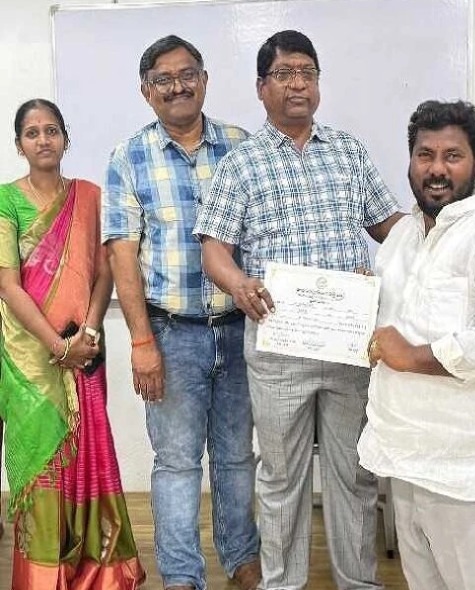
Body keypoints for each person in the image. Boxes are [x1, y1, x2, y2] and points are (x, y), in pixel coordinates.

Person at [194, 29, 402, 590]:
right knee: (281, 478)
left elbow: (390, 228)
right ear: (261, 87)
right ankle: (283, 583)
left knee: (354, 475)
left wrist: (433, 238)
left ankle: (358, 582)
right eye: (284, 74)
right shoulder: (242, 163)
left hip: (350, 347)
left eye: (307, 73)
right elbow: (214, 250)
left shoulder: (349, 151)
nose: (297, 84)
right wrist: (239, 284)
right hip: (278, 347)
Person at [356, 99, 475, 590]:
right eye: (425, 154)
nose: (436, 169)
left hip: (470, 468)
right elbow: (388, 327)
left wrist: (411, 357)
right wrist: (357, 305)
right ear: (410, 160)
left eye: (452, 155)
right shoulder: (402, 236)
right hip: (404, 454)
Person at [102, 36, 259, 590]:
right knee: (176, 463)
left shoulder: (242, 146)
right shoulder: (129, 157)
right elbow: (122, 254)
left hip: (239, 330)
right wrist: (141, 341)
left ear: (205, 79)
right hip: (171, 335)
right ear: (147, 91)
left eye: (187, 74)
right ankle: (182, 576)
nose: (177, 87)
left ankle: (243, 560)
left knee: (237, 457)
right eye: (163, 79)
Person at [0, 98, 145, 588]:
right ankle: (44, 576)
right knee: (43, 461)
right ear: (18, 144)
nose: (43, 140)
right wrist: (57, 347)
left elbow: (105, 271)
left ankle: (99, 570)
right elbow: (7, 285)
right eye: (32, 133)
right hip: (30, 358)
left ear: (66, 138)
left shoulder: (90, 197)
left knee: (89, 455)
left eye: (52, 130)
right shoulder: (5, 201)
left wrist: (89, 332)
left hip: (84, 349)